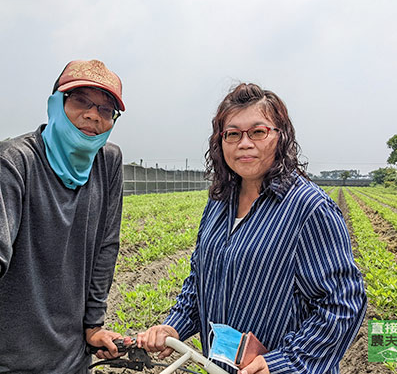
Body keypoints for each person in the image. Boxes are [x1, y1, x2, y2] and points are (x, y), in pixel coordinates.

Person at [137, 83, 366, 374]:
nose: (244, 143)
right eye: (232, 134)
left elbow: (343, 304)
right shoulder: (219, 203)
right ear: (220, 143)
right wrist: (174, 326)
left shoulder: (308, 208)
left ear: (280, 137)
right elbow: (201, 281)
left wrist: (281, 363)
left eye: (258, 132)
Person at [0, 59, 130, 373]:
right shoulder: (14, 161)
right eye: (80, 100)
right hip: (7, 362)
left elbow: (106, 247)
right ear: (55, 103)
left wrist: (94, 324)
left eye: (106, 109)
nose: (93, 114)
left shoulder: (107, 162)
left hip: (72, 360)